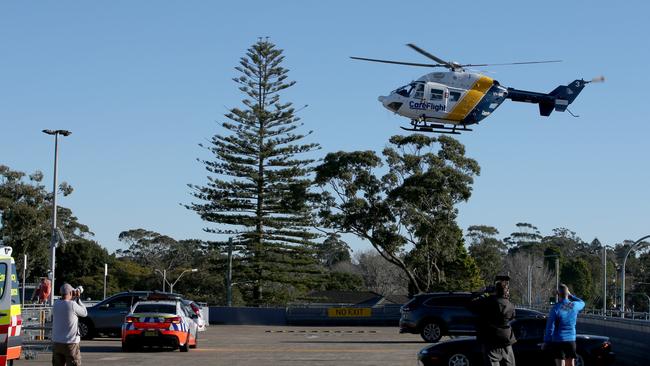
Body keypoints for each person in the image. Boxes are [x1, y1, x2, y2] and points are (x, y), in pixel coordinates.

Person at [468, 280, 517, 366]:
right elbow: (512, 317)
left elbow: (471, 303)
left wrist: (483, 292)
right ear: (506, 292)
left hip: (490, 338)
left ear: (496, 291)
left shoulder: (487, 302)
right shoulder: (511, 305)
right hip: (506, 339)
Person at [543, 284, 585, 366]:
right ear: (567, 294)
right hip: (571, 340)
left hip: (558, 341)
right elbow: (582, 303)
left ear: (558, 295)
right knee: (571, 363)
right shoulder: (574, 305)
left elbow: (550, 327)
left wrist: (546, 341)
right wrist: (571, 295)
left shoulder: (555, 309)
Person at [52, 283, 87, 366]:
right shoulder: (72, 305)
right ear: (71, 293)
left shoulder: (56, 304)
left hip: (57, 342)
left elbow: (65, 302)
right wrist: (78, 299)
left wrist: (73, 297)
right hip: (71, 343)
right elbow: (85, 313)